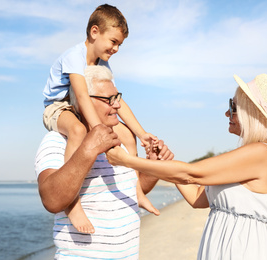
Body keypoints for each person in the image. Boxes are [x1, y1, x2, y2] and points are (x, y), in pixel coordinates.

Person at [106, 73, 267, 259]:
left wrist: (126, 160)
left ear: (251, 112)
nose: (227, 113)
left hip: (243, 248)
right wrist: (164, 161)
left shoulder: (262, 152)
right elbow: (197, 198)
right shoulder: (250, 154)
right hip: (224, 245)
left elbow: (191, 174)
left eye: (233, 106)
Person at [35, 65, 174, 259]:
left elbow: (131, 190)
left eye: (117, 97)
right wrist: (89, 149)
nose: (117, 105)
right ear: (85, 102)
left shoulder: (119, 140)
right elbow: (52, 200)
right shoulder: (57, 141)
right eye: (110, 100)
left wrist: (154, 165)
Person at [42, 4, 158, 233]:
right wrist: (98, 131)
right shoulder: (74, 57)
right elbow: (84, 97)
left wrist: (142, 133)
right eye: (113, 42)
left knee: (125, 133)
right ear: (94, 32)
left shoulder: (101, 62)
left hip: (78, 104)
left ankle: (137, 191)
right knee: (77, 131)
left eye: (120, 44)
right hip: (57, 107)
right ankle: (72, 204)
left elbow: (115, 100)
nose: (116, 48)